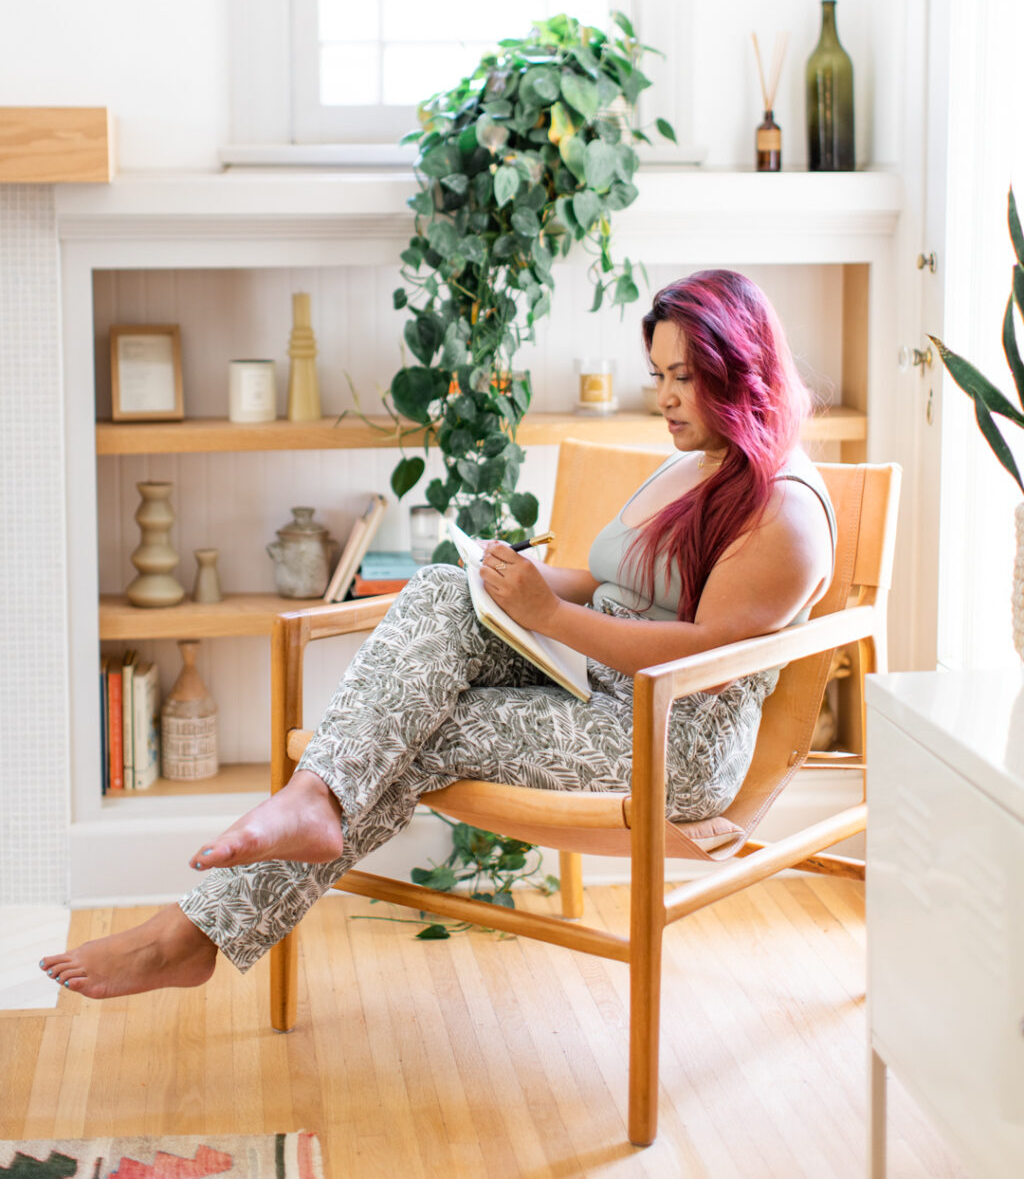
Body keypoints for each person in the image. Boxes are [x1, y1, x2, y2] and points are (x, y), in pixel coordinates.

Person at [41, 269, 835, 999]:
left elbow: (711, 657)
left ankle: (193, 929)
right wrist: (508, 583)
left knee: (424, 729)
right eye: (656, 375)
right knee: (441, 588)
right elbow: (615, 586)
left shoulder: (785, 512)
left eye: (683, 378)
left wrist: (551, 617)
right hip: (601, 678)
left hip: (673, 740)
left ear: (740, 370)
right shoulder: (698, 461)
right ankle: (310, 801)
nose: (663, 397)